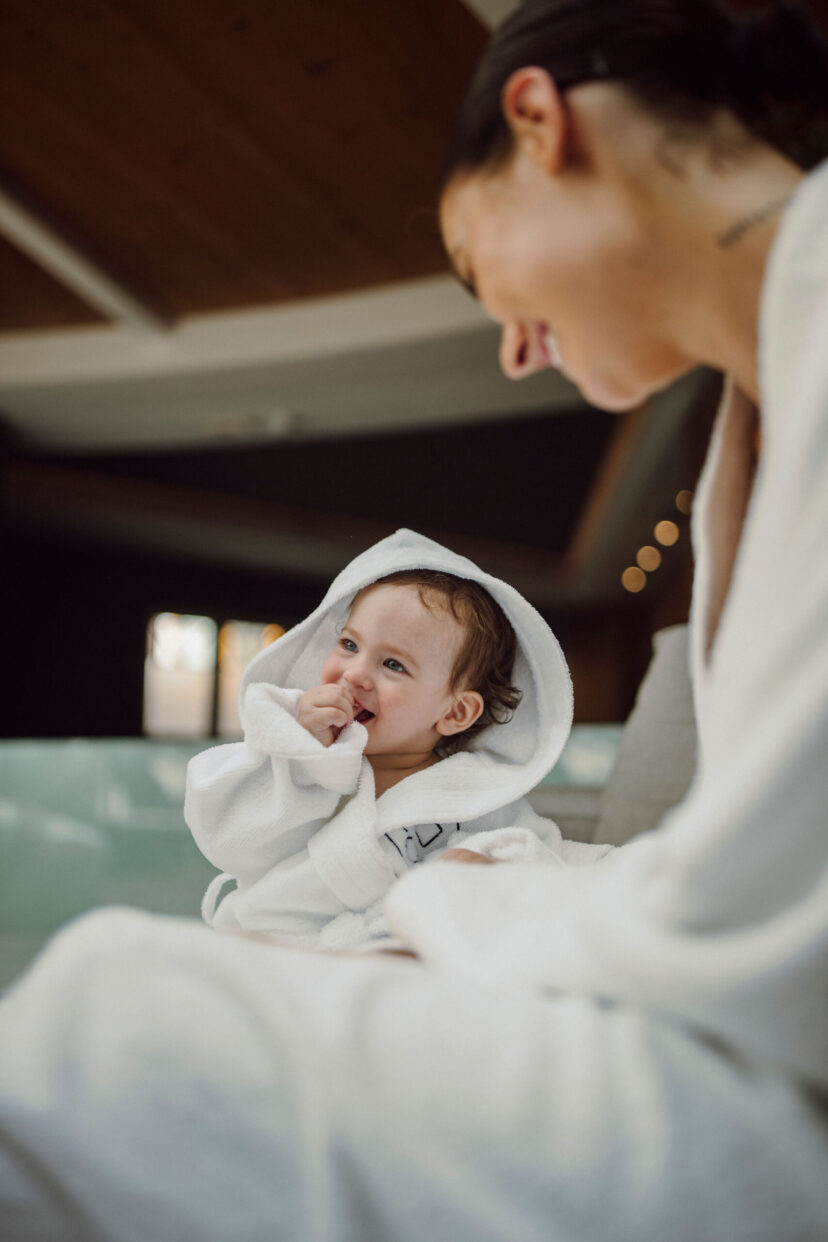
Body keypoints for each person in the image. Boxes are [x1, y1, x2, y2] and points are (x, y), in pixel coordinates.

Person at [1, 3, 827, 1238]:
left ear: (542, 123)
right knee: (110, 996)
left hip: (778, 1091)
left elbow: (772, 914)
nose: (508, 351)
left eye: (479, 269)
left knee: (105, 1022)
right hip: (738, 1028)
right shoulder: (753, 421)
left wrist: (450, 910)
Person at [184, 528, 605, 950]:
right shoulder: (306, 748)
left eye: (392, 664)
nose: (354, 674)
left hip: (393, 948)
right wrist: (297, 755)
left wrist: (491, 868)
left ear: (455, 712)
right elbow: (226, 834)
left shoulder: (476, 791)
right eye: (349, 644)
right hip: (278, 937)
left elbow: (535, 853)